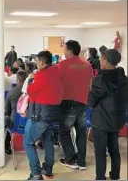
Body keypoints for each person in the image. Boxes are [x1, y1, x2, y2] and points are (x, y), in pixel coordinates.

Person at [88, 49, 128, 180]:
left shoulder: (99, 80)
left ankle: (100, 177)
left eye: (101, 58)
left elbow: (91, 102)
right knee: (114, 149)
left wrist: (90, 89)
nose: (100, 61)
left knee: (100, 152)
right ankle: (115, 175)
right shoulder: (124, 79)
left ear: (106, 61)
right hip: (117, 120)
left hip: (101, 121)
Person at [24, 51, 62, 180]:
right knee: (48, 140)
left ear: (41, 62)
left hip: (41, 114)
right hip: (54, 113)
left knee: (28, 143)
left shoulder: (40, 75)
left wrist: (31, 81)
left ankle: (35, 174)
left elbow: (31, 91)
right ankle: (48, 170)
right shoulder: (57, 71)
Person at [58, 40, 93, 170]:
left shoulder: (62, 65)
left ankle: (70, 159)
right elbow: (90, 85)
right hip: (83, 102)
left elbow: (56, 84)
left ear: (70, 52)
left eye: (65, 49)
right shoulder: (87, 64)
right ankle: (81, 162)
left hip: (67, 102)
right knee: (81, 132)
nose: (63, 51)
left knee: (65, 131)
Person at [5, 71, 28, 154]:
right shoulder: (33, 91)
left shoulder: (11, 92)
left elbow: (7, 110)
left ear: (17, 80)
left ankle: (6, 146)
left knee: (6, 119)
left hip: (15, 125)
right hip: (30, 124)